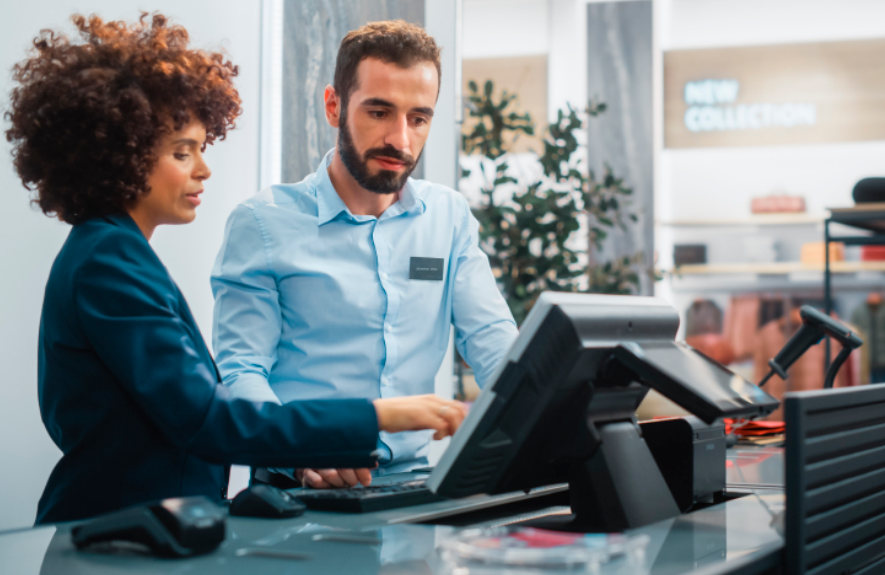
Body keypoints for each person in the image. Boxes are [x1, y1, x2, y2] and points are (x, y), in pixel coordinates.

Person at [5, 13, 465, 525]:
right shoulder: (108, 262)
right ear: (122, 155)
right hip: (112, 536)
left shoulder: (115, 252)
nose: (203, 169)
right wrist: (384, 414)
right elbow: (212, 419)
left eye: (202, 148)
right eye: (183, 152)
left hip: (150, 530)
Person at [212, 20, 518, 489]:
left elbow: (494, 343)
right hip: (299, 485)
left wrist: (544, 410)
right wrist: (297, 452)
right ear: (334, 106)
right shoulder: (262, 223)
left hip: (417, 484)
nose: (401, 139)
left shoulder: (448, 217)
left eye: (419, 118)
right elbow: (241, 371)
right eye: (379, 112)